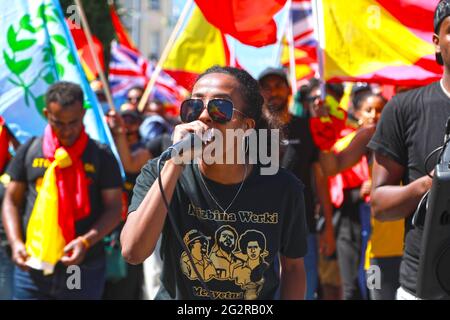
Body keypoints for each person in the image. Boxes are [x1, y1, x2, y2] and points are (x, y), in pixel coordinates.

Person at [120, 66, 308, 300]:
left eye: (220, 108)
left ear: (246, 127)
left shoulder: (283, 188)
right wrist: (175, 163)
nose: (203, 116)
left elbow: (293, 268)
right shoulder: (159, 172)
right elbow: (133, 252)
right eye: (194, 106)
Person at [1, 82, 123, 299]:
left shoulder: (101, 155)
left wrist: (86, 241)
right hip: (33, 266)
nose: (67, 130)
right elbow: (11, 201)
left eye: (73, 122)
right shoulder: (30, 149)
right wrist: (16, 242)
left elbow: (114, 209)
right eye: (59, 122)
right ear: (47, 114)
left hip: (78, 267)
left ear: (83, 113)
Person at [369, 1, 450, 300]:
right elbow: (379, 205)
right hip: (424, 287)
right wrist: (432, 183)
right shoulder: (403, 109)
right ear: (437, 43)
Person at [258, 68, 335, 300]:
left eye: (279, 85)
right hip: (259, 228)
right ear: (259, 93)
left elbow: (320, 178)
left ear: (289, 90)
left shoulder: (306, 126)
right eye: (267, 87)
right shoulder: (250, 129)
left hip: (302, 225)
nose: (273, 92)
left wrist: (328, 227)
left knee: (303, 291)